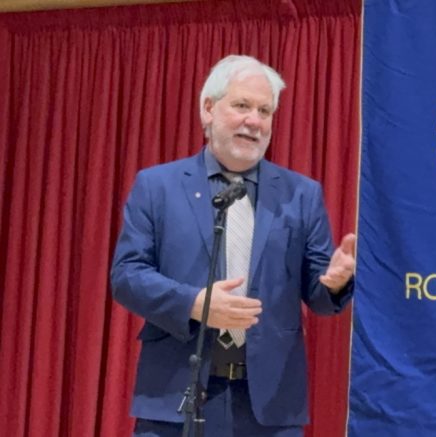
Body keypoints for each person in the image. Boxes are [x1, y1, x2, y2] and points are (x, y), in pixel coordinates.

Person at [111, 54, 356, 437]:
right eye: (242, 105)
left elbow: (319, 297)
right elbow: (127, 276)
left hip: (269, 408)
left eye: (264, 111)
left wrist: (335, 283)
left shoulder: (301, 195)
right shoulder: (157, 187)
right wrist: (194, 303)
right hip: (176, 398)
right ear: (208, 109)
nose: (254, 121)